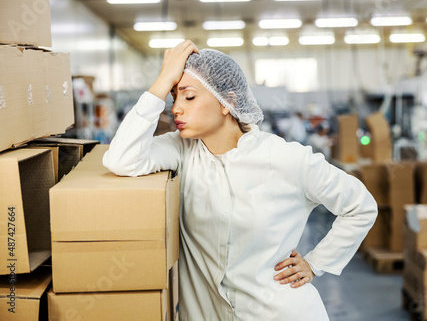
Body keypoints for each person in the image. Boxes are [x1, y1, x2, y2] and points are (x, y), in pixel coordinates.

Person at [103, 40, 377, 321]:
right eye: (174, 98)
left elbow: (360, 205)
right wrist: (162, 81)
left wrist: (316, 262)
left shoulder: (286, 158)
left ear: (228, 102)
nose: (176, 109)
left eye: (189, 96)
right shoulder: (180, 150)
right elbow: (121, 159)